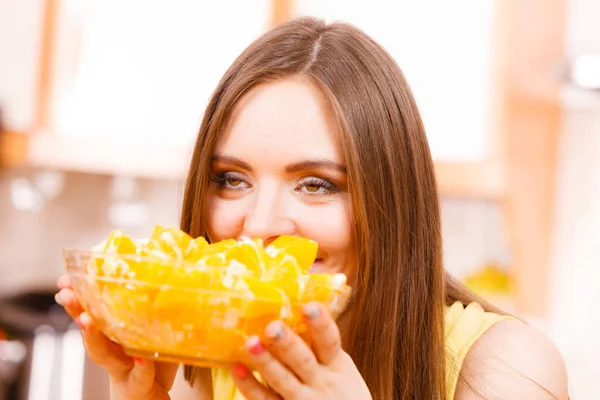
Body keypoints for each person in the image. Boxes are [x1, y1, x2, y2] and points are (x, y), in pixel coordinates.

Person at [55, 17, 569, 399]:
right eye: (232, 180)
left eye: (317, 185)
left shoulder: (508, 371)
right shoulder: (225, 356)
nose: (258, 225)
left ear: (392, 200)